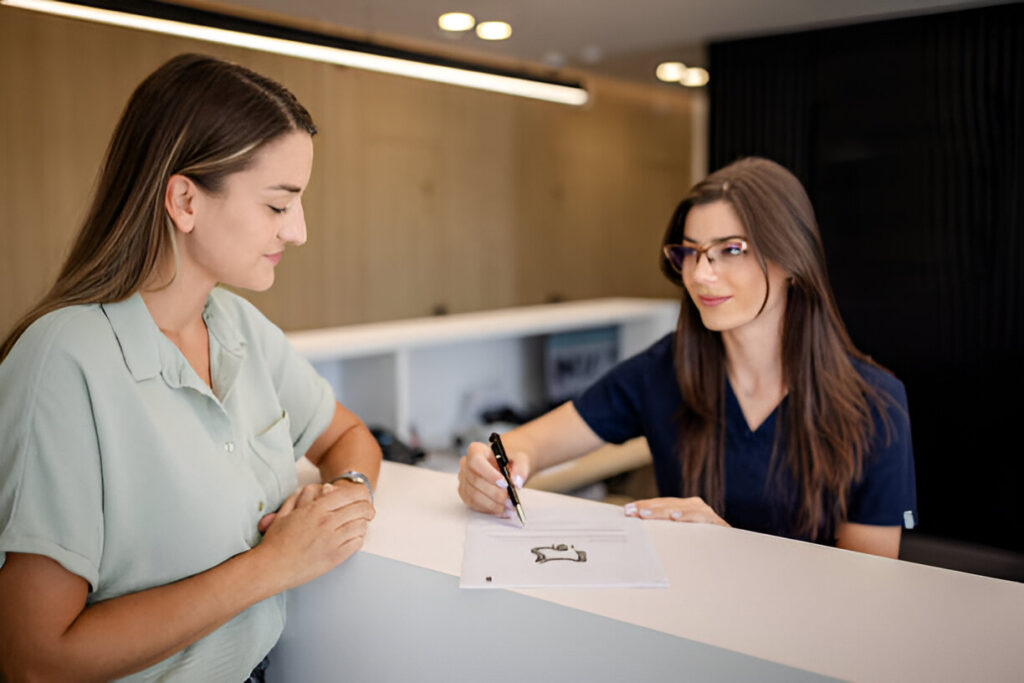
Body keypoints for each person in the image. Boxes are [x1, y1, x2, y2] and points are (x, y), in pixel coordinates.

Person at [0, 54, 381, 681]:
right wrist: (273, 564)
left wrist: (345, 499)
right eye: (278, 205)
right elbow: (35, 660)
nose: (300, 231)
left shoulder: (237, 327)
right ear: (184, 200)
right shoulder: (62, 362)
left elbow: (348, 436)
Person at [458, 157, 916, 558]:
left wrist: (730, 546)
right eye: (690, 253)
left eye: (730, 250)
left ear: (791, 259)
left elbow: (867, 584)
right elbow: (530, 445)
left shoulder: (875, 403)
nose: (700, 273)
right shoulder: (663, 370)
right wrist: (494, 467)